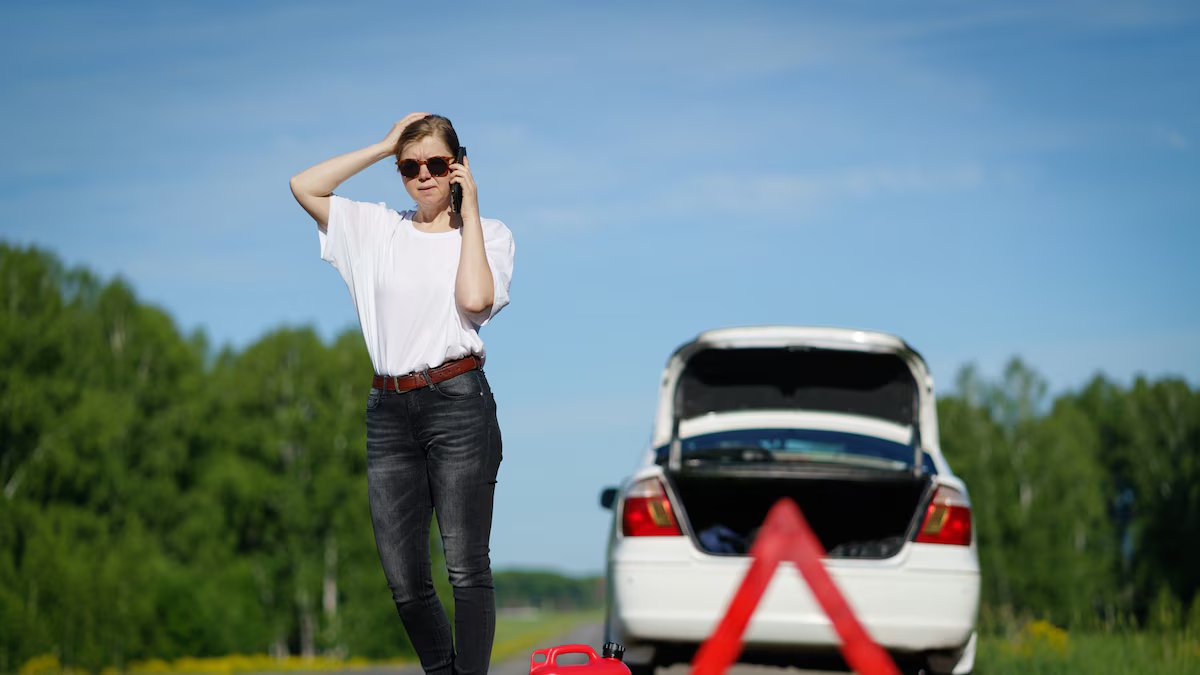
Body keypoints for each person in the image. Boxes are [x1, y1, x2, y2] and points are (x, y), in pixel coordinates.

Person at [289, 112, 515, 675]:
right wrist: (384, 143)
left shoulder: (490, 236)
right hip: (388, 411)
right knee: (404, 580)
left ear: (458, 166)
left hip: (459, 403)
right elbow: (303, 185)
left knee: (464, 566)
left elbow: (475, 300)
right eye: (411, 166)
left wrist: (472, 207)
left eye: (438, 164)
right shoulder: (374, 229)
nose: (424, 175)